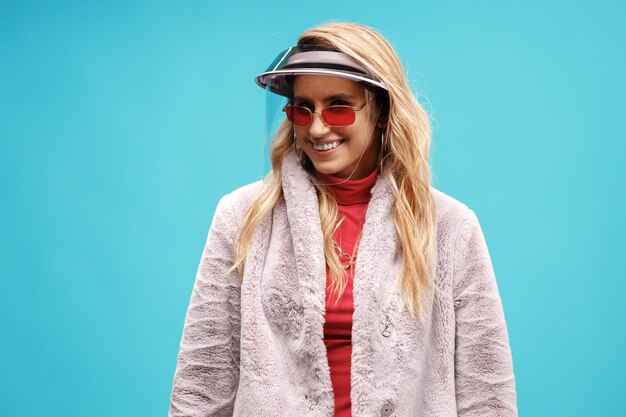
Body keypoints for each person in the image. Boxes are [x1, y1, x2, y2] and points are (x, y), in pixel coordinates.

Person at [168, 22, 518, 417]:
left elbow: (487, 394)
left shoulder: (452, 227)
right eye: (302, 109)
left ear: (382, 110)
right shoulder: (243, 217)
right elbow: (202, 382)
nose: (317, 127)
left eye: (338, 106)